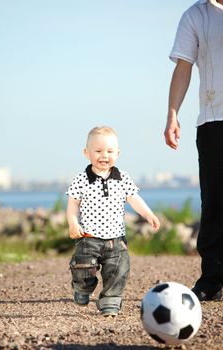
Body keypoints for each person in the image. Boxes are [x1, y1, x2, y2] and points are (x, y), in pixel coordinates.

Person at [66, 126, 160, 316]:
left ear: (118, 153)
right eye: (98, 151)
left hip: (116, 238)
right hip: (88, 237)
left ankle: (110, 300)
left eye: (109, 151)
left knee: (118, 271)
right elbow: (73, 204)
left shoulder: (122, 178)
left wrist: (148, 214)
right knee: (83, 268)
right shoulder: (82, 179)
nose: (104, 156)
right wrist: (73, 223)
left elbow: (134, 199)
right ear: (87, 153)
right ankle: (82, 288)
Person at [164, 0, 223, 301]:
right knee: (214, 203)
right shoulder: (196, 15)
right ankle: (212, 280)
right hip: (214, 122)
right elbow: (183, 67)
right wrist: (172, 114)